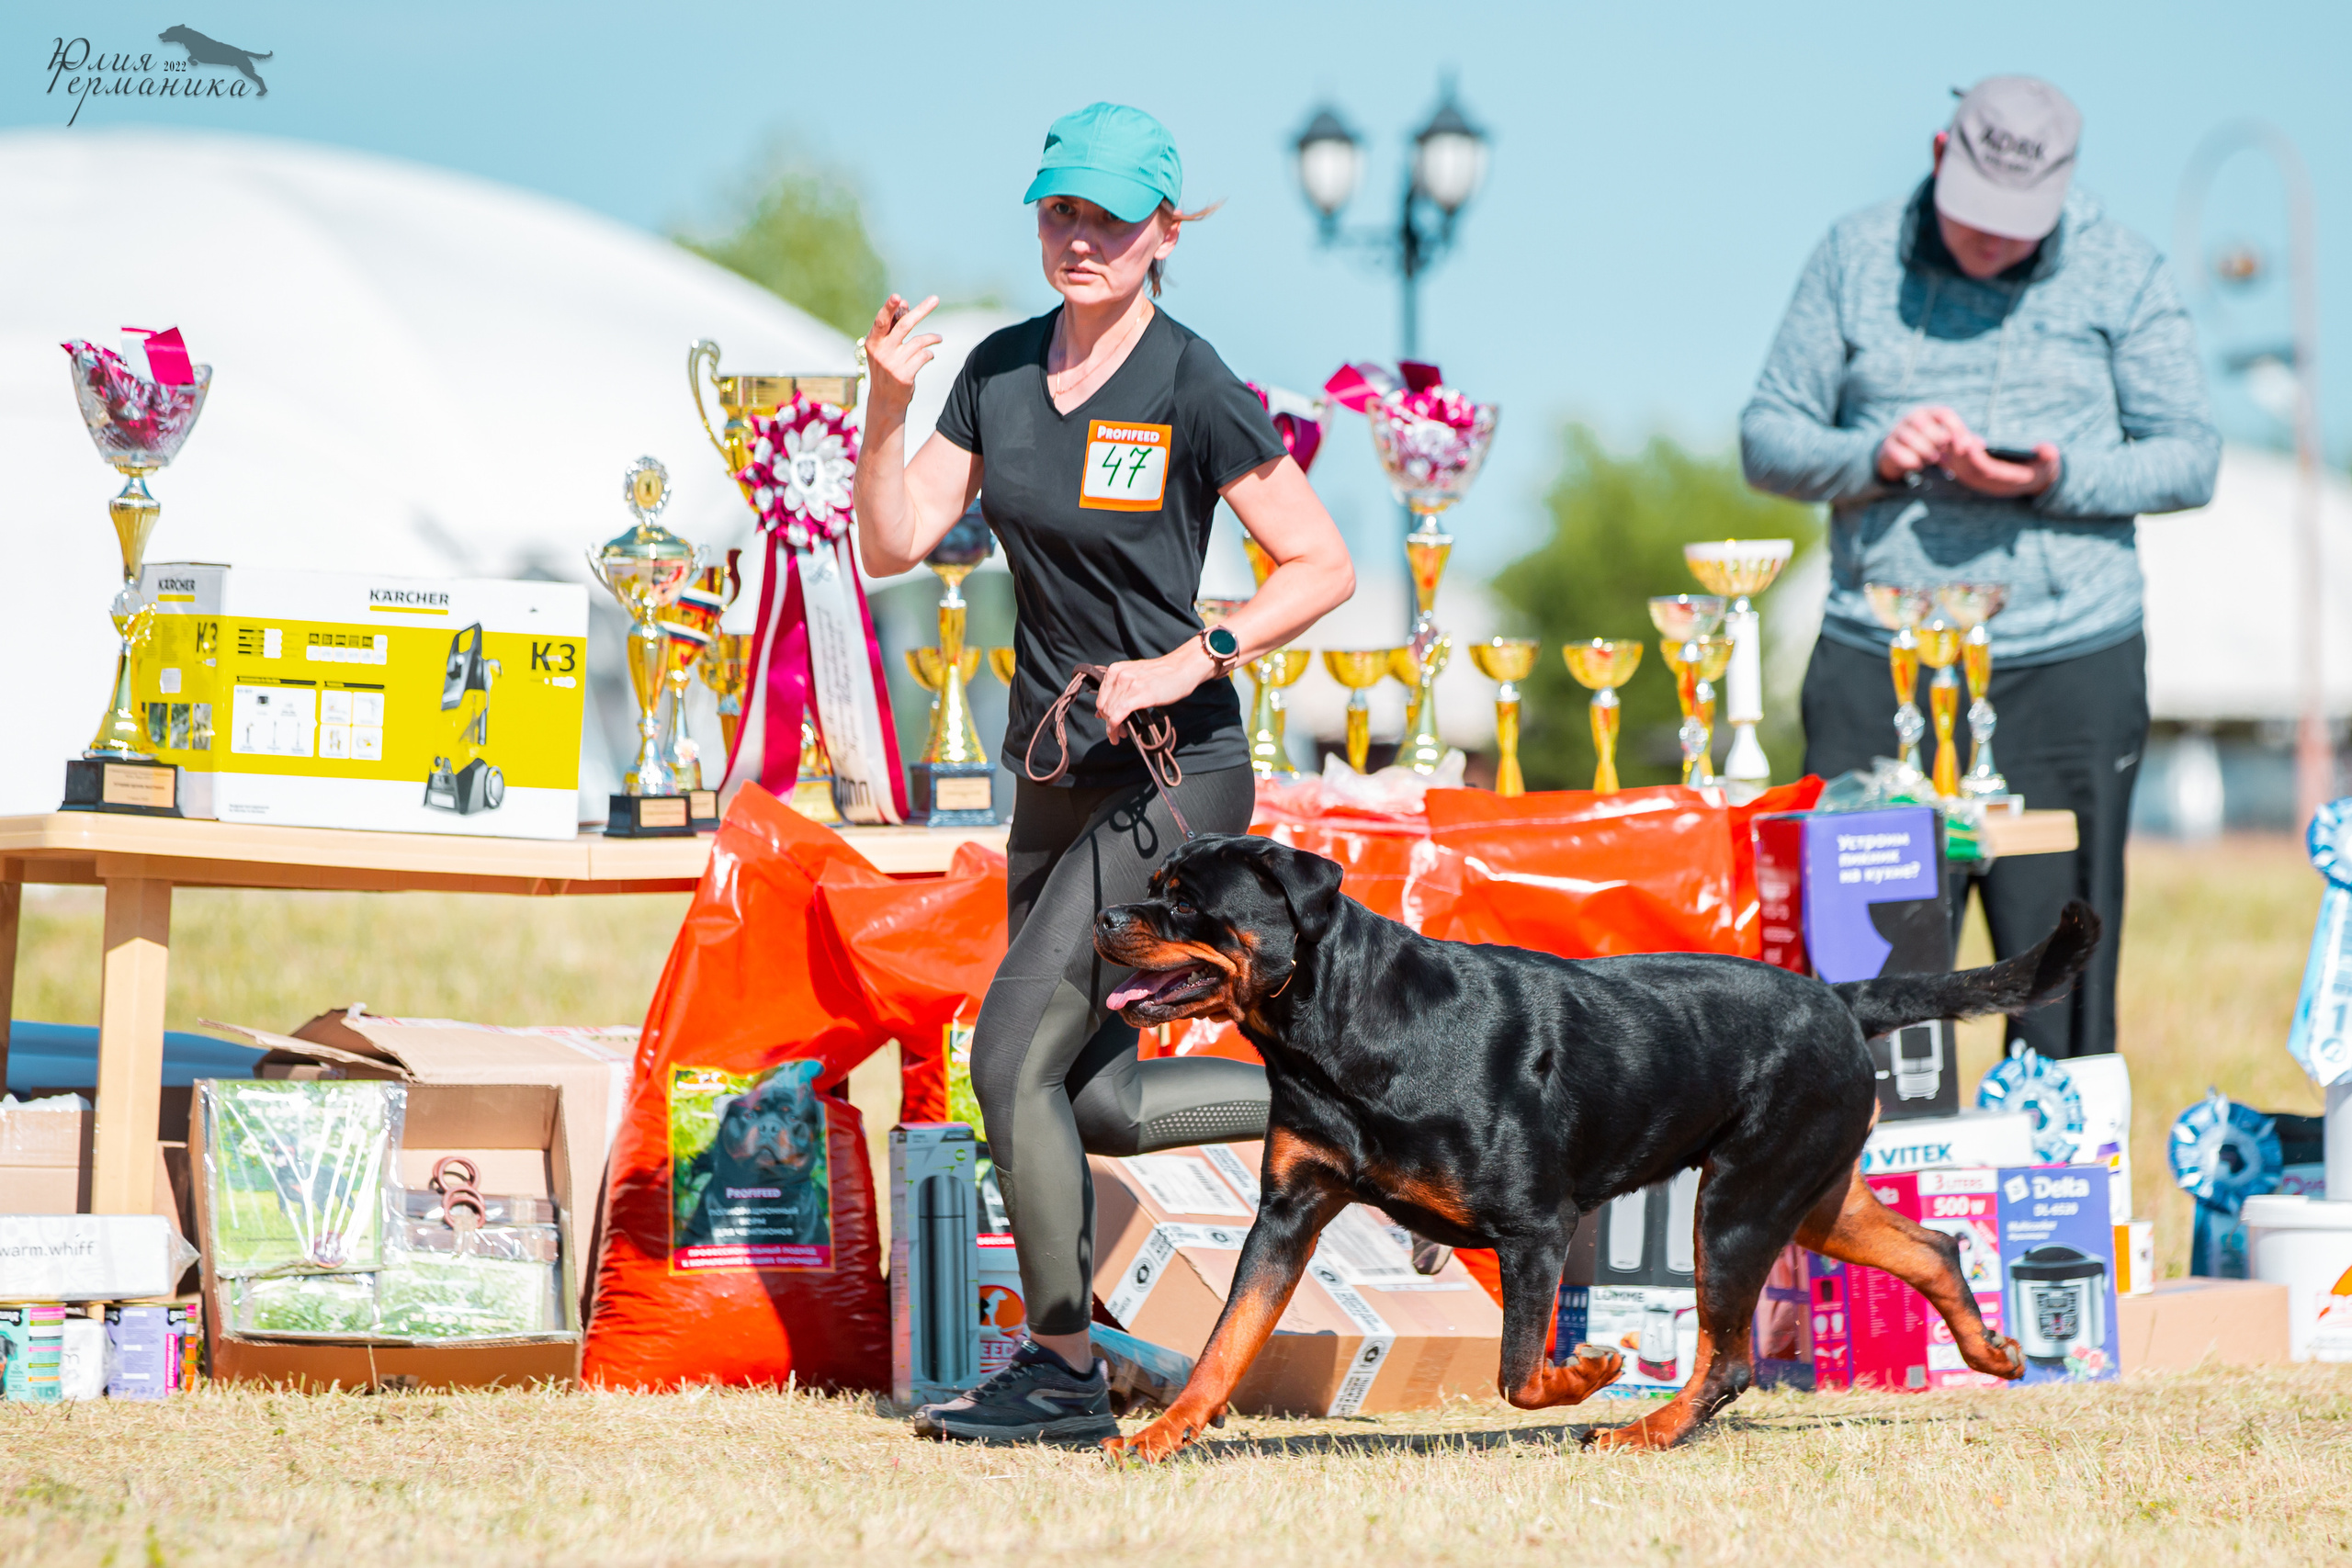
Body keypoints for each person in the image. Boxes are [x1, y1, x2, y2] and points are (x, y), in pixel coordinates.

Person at [854, 101, 1355, 1443]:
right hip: (1056, 769)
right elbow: (897, 539)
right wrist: (889, 400)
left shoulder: (1192, 380)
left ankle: (1065, 1369)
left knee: (1006, 1054)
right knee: (1086, 1088)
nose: (1080, 238)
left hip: (1175, 773)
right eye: (1061, 211)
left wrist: (1196, 657)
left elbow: (1323, 564)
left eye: (1110, 218)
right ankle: (1341, 1092)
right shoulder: (1001, 371)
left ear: (1163, 234)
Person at [1741, 76, 2219, 1060]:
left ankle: (2061, 1194)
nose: (1992, 241)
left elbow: (2188, 456)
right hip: (1879, 655)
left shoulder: (2122, 270)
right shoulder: (1852, 255)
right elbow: (1766, 438)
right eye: (1974, 218)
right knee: (1855, 978)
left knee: (2062, 973)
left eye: (2018, 224)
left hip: (2066, 656)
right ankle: (1844, 1193)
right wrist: (1872, 452)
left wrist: (2056, 473)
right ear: (1934, 156)